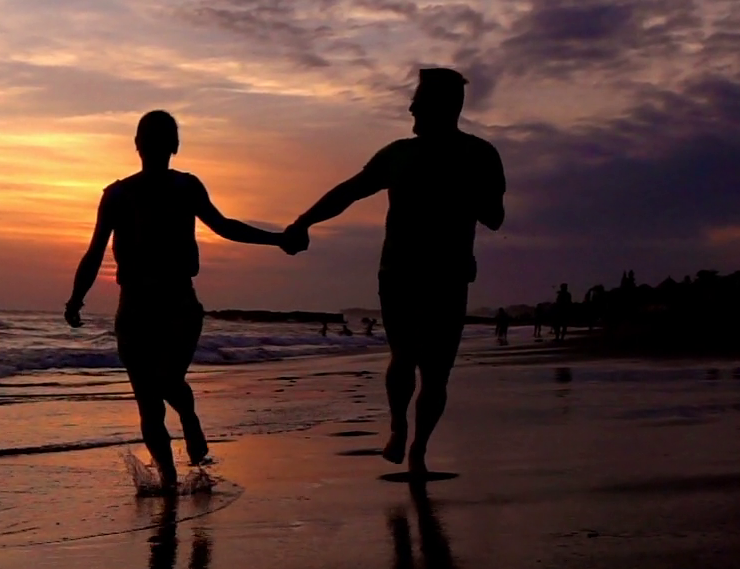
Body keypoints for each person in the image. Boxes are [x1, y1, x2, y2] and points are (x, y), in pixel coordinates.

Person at [67, 110, 303, 492]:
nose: (157, 146)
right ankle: (169, 482)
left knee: (166, 380)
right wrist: (76, 298)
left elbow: (224, 226)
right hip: (133, 308)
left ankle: (190, 420)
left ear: (174, 146)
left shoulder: (187, 188)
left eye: (165, 139)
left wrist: (277, 240)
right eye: (152, 138)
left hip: (178, 303)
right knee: (148, 403)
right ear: (138, 145)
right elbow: (95, 252)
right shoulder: (117, 195)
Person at [285, 68, 504, 475]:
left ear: (442, 107)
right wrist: (304, 221)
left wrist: (464, 190)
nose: (411, 107)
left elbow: (495, 217)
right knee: (402, 356)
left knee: (437, 371)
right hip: (398, 273)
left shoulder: (480, 154)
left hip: (449, 275)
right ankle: (398, 425)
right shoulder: (398, 154)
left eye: (419, 101)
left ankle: (420, 448)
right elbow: (349, 191)